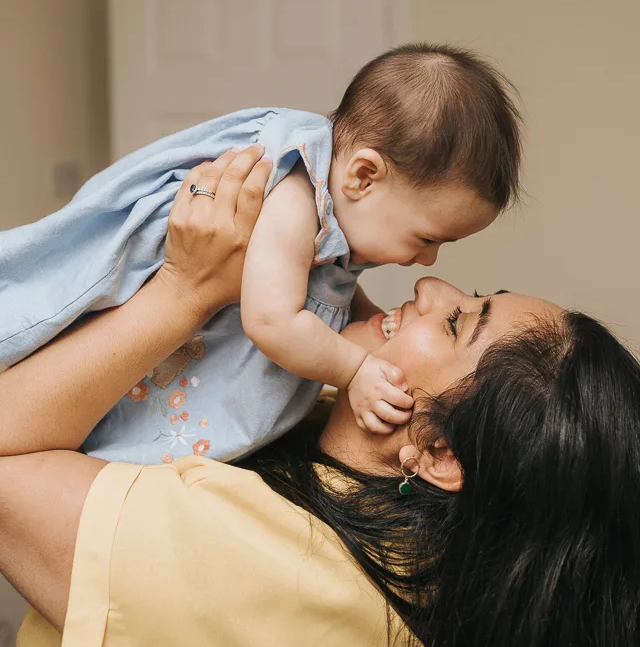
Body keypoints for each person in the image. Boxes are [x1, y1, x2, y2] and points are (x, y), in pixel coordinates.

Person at [0, 146, 640, 647]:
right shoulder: (449, 563)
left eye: (455, 323)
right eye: (468, 293)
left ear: (439, 454)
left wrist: (184, 290)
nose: (431, 283)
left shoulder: (272, 566)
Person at [0, 44, 521, 463]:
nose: (429, 263)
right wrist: (353, 369)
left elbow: (329, 283)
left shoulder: (339, 213)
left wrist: (368, 318)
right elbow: (272, 319)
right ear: (363, 176)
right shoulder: (294, 198)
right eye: (428, 238)